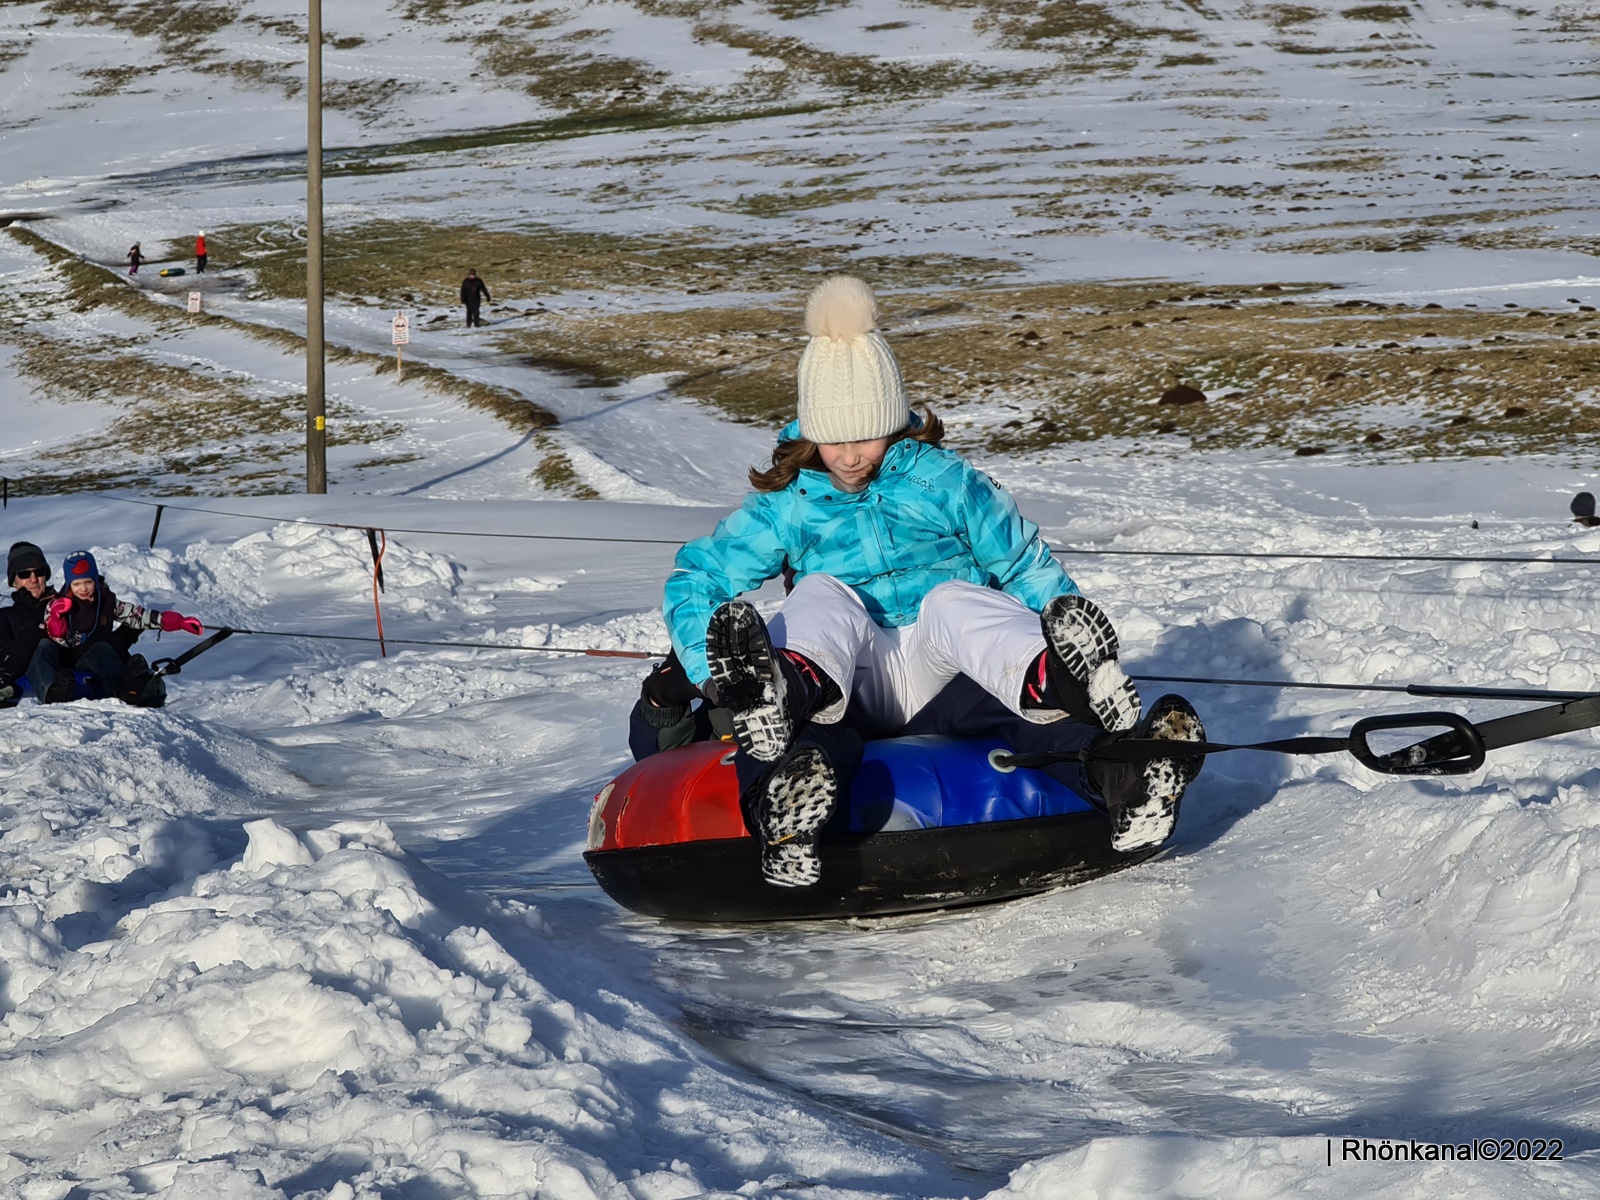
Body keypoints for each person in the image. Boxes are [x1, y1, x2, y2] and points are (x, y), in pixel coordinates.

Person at [662, 275, 1205, 887]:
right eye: (831, 438)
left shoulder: (943, 481)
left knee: (953, 601)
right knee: (819, 597)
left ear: (893, 421)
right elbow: (696, 577)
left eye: (864, 434)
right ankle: (781, 741)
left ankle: (1094, 728)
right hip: (843, 680)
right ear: (810, 432)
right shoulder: (789, 502)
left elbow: (1021, 564)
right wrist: (716, 682)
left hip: (945, 671)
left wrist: (1066, 628)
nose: (847, 456)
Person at [30, 550, 205, 706]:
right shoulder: (56, 604)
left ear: (95, 580)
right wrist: (57, 624)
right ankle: (51, 692)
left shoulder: (107, 601)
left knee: (103, 646)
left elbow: (136, 615)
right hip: (63, 655)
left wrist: (175, 622)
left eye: (88, 582)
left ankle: (128, 686)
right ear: (69, 585)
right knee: (42, 647)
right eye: (77, 584)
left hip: (91, 656)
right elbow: (53, 635)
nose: (83, 588)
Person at [0, 542, 56, 707]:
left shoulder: (64, 607)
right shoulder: (6, 617)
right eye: (24, 574)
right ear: (13, 581)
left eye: (39, 572)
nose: (33, 579)